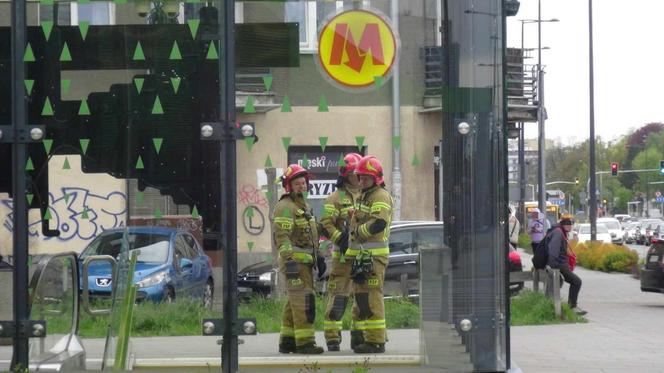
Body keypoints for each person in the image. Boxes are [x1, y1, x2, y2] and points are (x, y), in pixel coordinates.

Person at [273, 164, 325, 354]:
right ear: (289, 186)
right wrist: (290, 261)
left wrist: (318, 256)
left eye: (304, 182)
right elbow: (282, 237)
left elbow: (311, 236)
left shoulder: (305, 207)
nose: (302, 186)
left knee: (293, 302)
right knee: (304, 301)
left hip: (306, 264)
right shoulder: (285, 207)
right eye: (297, 183)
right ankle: (305, 343)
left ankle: (287, 341)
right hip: (295, 263)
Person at [347, 156, 393, 353]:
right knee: (360, 298)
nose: (362, 181)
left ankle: (375, 341)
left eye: (366, 178)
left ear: (377, 178)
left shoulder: (380, 196)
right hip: (361, 257)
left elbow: (379, 223)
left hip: (374, 257)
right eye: (360, 178)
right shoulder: (363, 196)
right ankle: (360, 337)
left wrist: (358, 232)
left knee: (372, 297)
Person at [321, 153, 362, 352]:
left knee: (363, 296)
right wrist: (340, 238)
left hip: (363, 255)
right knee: (339, 295)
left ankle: (360, 336)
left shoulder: (367, 194)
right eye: (354, 173)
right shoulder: (335, 198)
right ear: (346, 175)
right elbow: (326, 223)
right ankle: (332, 337)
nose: (358, 177)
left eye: (359, 173)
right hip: (342, 257)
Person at [546, 213, 586, 316]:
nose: (569, 225)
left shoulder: (560, 232)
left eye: (571, 223)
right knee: (577, 282)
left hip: (560, 265)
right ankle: (572, 307)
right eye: (567, 223)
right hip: (559, 266)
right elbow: (553, 251)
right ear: (562, 224)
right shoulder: (559, 233)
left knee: (574, 282)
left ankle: (570, 306)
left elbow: (563, 250)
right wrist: (553, 266)